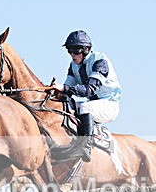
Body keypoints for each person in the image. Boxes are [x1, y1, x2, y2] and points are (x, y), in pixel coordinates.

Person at [52, 30, 122, 161]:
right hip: (94, 104)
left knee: (85, 108)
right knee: (65, 107)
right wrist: (55, 92)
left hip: (109, 104)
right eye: (69, 51)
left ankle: (85, 147)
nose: (72, 55)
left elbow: (89, 90)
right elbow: (67, 90)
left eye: (76, 51)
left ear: (86, 50)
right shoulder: (73, 66)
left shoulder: (100, 61)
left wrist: (65, 88)